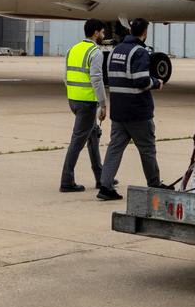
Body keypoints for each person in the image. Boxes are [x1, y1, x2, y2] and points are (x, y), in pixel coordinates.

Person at [95, 18, 164, 201]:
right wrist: (156, 82)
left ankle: (105, 186)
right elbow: (141, 80)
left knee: (115, 148)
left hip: (119, 110)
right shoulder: (139, 52)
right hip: (137, 111)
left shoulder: (116, 50)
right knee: (147, 149)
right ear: (144, 33)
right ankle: (154, 184)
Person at [58, 19, 108, 192]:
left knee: (92, 136)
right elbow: (96, 79)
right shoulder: (95, 52)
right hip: (87, 103)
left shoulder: (72, 49)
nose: (104, 35)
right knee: (77, 142)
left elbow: (65, 76)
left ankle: (101, 177)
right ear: (96, 33)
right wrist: (103, 104)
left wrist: (74, 93)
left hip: (73, 100)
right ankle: (66, 181)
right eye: (102, 32)